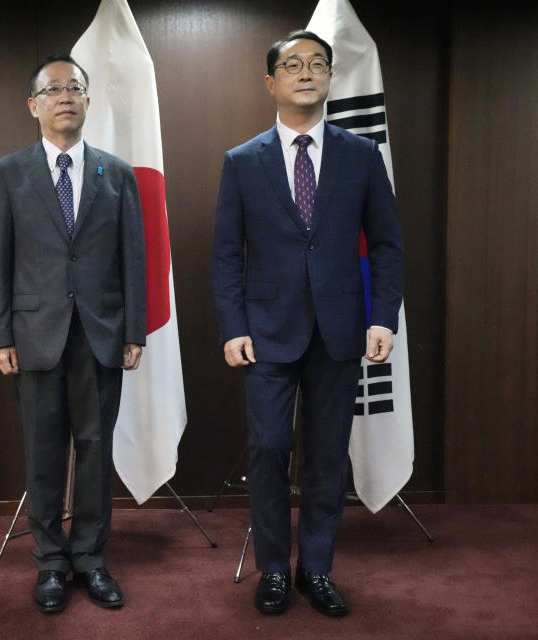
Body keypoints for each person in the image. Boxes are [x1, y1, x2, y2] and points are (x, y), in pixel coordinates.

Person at [212, 30, 403, 617]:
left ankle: (315, 568)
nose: (306, 73)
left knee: (326, 456)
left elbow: (389, 245)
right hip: (267, 331)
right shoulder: (243, 161)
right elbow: (226, 253)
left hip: (342, 328)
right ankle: (273, 567)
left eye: (317, 64)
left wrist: (383, 318)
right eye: (292, 65)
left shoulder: (361, 155)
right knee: (268, 448)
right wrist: (233, 326)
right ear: (271, 82)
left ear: (329, 78)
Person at [0, 55, 146, 613]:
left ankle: (91, 560)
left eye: (74, 87)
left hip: (101, 333)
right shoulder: (7, 173)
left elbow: (134, 259)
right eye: (52, 89)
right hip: (34, 336)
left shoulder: (117, 174)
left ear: (88, 101)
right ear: (34, 105)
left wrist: (135, 330)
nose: (65, 97)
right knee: (44, 452)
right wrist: (1, 335)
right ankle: (51, 563)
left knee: (96, 452)